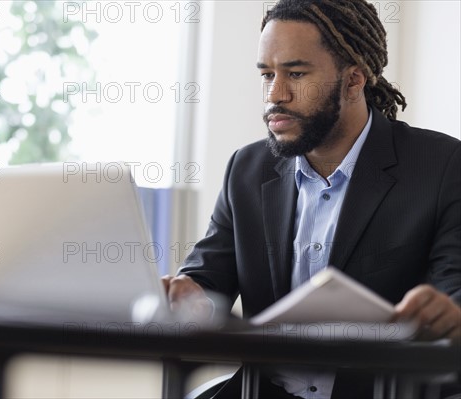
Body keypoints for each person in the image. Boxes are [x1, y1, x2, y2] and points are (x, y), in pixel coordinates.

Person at [162, 0, 461, 398]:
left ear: (354, 80)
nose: (275, 94)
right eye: (267, 74)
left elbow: (454, 293)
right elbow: (207, 274)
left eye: (296, 73)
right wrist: (190, 294)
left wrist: (445, 313)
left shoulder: (441, 166)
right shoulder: (247, 169)